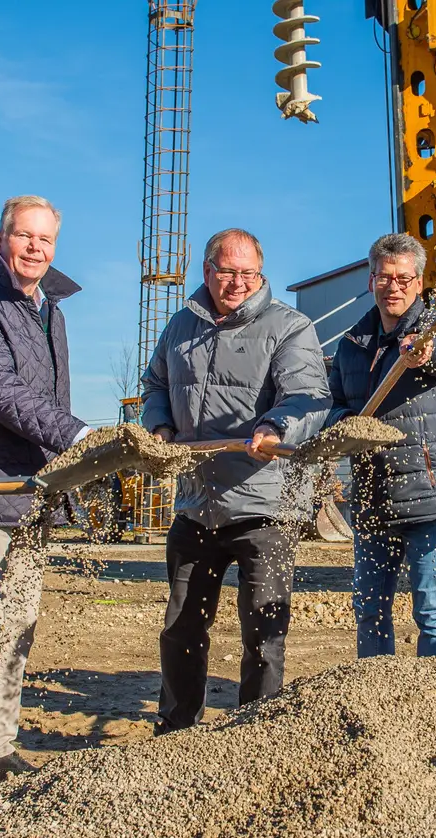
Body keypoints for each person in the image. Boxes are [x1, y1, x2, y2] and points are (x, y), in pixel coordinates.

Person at [141, 228, 330, 733]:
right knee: (182, 627)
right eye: (227, 272)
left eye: (248, 274)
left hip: (263, 507)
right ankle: (175, 731)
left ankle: (254, 736)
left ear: (261, 274)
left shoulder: (289, 326)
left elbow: (308, 395)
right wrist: (158, 426)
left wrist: (275, 426)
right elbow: (155, 384)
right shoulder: (181, 326)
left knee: (264, 631)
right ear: (207, 271)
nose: (237, 283)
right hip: (195, 503)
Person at [0, 196, 94, 794]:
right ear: (1, 238)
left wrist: (69, 457)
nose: (35, 248)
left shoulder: (50, 311)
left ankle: (3, 744)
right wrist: (77, 435)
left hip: (35, 488)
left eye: (45, 240)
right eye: (23, 236)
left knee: (21, 620)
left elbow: (52, 398)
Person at [326, 233, 436, 658]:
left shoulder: (434, 331)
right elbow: (334, 408)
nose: (394, 287)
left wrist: (426, 352)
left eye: (404, 278)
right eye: (385, 278)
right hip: (372, 498)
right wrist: (346, 427)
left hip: (430, 497)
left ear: (419, 283)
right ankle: (373, 696)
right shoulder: (351, 346)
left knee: (433, 612)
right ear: (371, 281)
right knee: (369, 609)